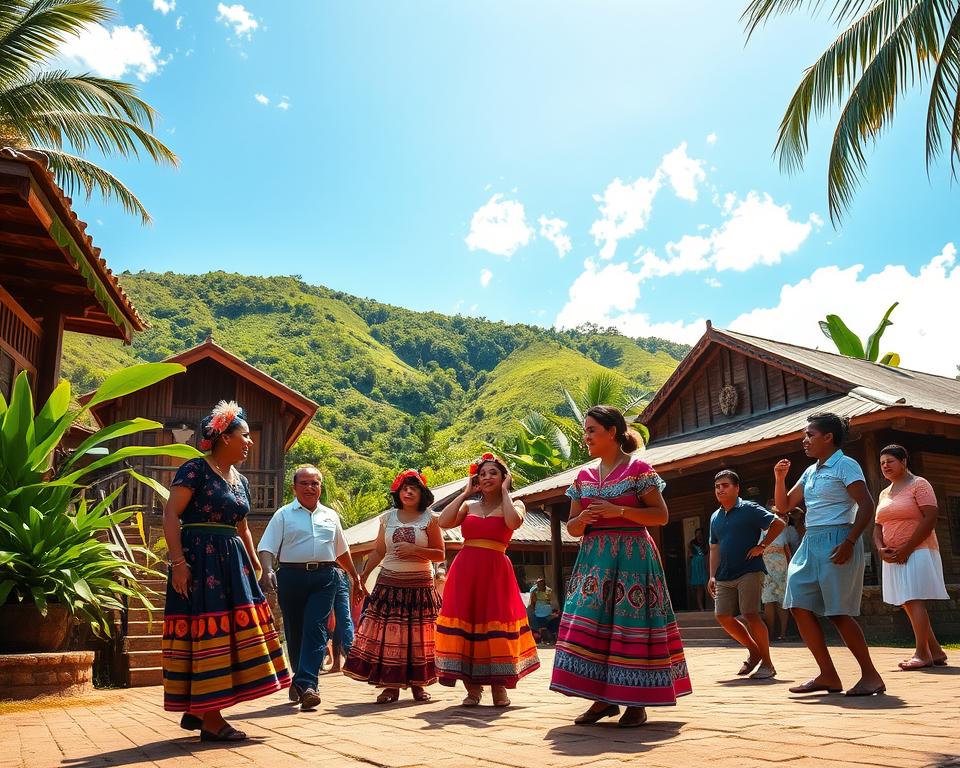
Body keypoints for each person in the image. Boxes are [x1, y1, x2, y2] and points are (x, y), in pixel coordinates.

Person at [550, 406, 691, 728]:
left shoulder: (639, 469)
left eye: (591, 430)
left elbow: (660, 516)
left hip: (633, 557)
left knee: (631, 624)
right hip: (594, 560)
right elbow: (572, 527)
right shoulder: (582, 477)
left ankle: (636, 701)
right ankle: (602, 700)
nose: (585, 437)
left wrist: (619, 511)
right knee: (593, 623)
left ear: (612, 432)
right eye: (585, 431)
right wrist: (582, 519)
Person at [161, 401, 289, 742]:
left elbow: (242, 525)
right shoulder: (194, 470)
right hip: (200, 560)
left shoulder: (241, 481)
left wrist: (255, 561)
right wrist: (178, 563)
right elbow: (172, 515)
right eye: (244, 436)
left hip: (232, 562)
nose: (250, 442)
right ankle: (212, 718)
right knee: (206, 630)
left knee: (231, 632)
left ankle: (199, 709)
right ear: (223, 436)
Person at [774, 412, 886, 696]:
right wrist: (779, 478)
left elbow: (866, 504)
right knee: (798, 603)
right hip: (810, 542)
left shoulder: (845, 465)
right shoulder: (811, 471)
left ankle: (871, 676)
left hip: (838, 539)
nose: (805, 440)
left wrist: (849, 542)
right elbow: (784, 506)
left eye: (810, 435)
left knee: (838, 612)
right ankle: (828, 675)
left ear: (828, 437)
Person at [257, 465, 366, 711]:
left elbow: (342, 550)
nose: (310, 487)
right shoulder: (283, 515)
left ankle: (308, 684)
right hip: (291, 577)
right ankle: (299, 679)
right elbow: (267, 547)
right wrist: (268, 569)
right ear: (294, 487)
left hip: (325, 577)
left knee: (315, 628)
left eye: (315, 483)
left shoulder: (331, 516)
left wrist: (355, 577)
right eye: (304, 483)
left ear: (320, 487)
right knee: (295, 632)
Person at [435, 453, 540, 707]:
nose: (487, 477)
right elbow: (443, 521)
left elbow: (513, 523)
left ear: (504, 478)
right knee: (466, 625)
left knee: (496, 625)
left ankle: (499, 688)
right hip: (465, 570)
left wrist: (506, 492)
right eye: (482, 474)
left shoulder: (515, 504)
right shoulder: (468, 506)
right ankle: (473, 690)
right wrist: (464, 492)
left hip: (496, 571)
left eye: (493, 473)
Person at [344, 469, 445, 702]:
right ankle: (390, 686)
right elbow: (379, 550)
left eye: (414, 488)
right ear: (398, 493)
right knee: (390, 637)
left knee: (418, 637)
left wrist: (415, 550)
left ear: (423, 494)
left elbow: (439, 554)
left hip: (420, 586)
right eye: (404, 488)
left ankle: (420, 685)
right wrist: (362, 575)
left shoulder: (430, 519)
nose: (408, 492)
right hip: (388, 583)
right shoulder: (387, 518)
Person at [874, 444, 949, 669]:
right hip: (892, 555)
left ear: (904, 461)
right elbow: (877, 525)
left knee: (914, 598)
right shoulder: (884, 492)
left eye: (890, 461)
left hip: (918, 550)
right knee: (906, 601)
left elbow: (930, 517)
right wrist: (879, 548)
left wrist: (907, 548)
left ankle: (922, 653)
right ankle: (935, 651)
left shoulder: (919, 484)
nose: (885, 466)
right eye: (882, 463)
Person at [708, 471, 784, 680]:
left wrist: (762, 546)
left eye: (725, 485)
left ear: (736, 488)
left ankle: (767, 664)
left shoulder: (749, 509)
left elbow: (778, 523)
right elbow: (714, 547)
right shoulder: (715, 516)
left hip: (749, 569)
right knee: (722, 616)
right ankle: (754, 651)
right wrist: (712, 575)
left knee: (750, 613)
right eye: (717, 487)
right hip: (724, 574)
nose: (720, 489)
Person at [762, 506, 795, 641]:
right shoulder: (763, 530)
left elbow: (787, 551)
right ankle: (774, 633)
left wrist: (791, 569)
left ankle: (781, 633)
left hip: (778, 565)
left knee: (777, 600)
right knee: (770, 600)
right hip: (767, 564)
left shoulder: (782, 529)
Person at [529, 577, 559, 644]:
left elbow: (553, 601)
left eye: (542, 583)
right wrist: (535, 610)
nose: (541, 585)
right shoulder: (534, 591)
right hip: (539, 613)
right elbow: (532, 603)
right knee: (542, 627)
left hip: (548, 613)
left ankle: (552, 640)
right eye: (539, 584)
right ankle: (544, 639)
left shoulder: (549, 591)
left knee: (550, 627)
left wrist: (555, 611)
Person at [688, 528, 708, 611]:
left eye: (700, 533)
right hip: (696, 566)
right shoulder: (692, 544)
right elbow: (689, 555)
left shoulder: (705, 544)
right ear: (695, 534)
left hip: (704, 566)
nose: (699, 535)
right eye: (697, 533)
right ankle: (701, 607)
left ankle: (713, 606)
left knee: (707, 586)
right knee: (699, 588)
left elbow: (708, 554)